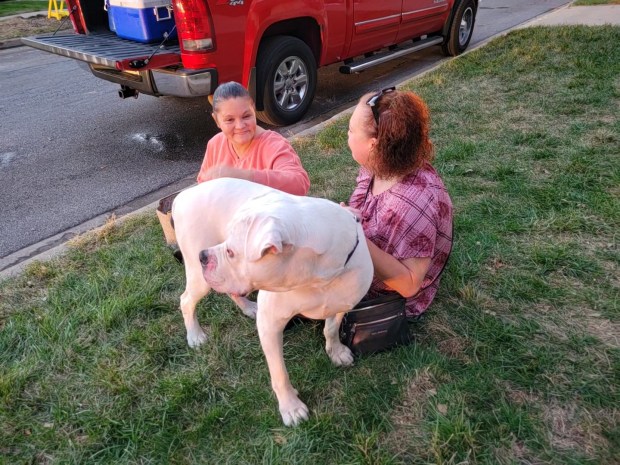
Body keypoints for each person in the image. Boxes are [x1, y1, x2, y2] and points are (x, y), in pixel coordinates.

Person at [345, 87, 453, 318]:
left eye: (351, 130)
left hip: (390, 297)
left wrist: (355, 234)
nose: (347, 135)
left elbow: (410, 284)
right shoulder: (382, 166)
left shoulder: (410, 206)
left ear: (373, 145)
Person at [196, 81, 310, 195]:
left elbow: (299, 184)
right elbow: (202, 188)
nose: (240, 126)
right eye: (229, 120)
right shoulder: (215, 144)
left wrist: (244, 176)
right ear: (216, 121)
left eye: (246, 116)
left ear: (253, 110)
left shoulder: (274, 144)